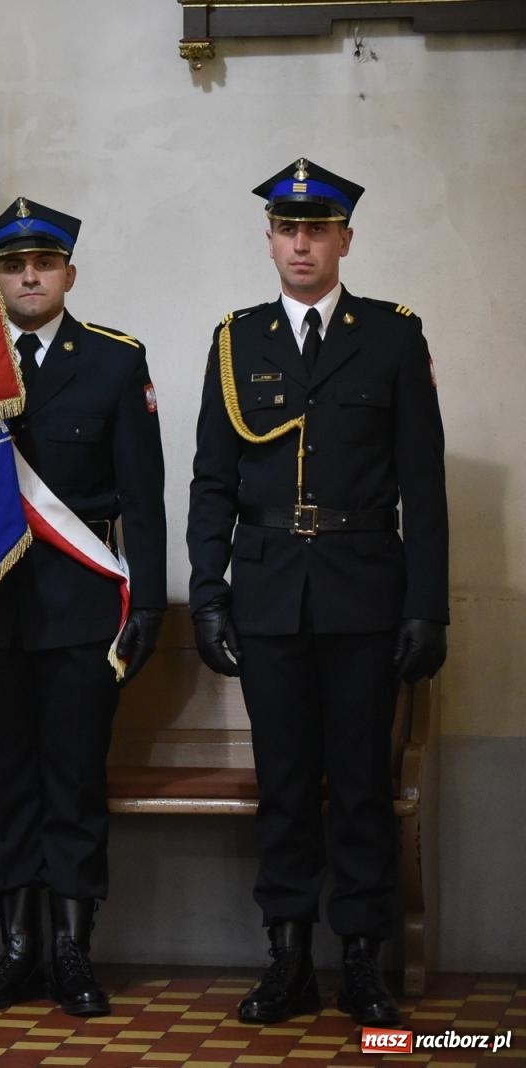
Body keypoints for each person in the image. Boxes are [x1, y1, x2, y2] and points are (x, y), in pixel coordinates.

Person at [186, 159, 447, 1029]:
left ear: (344, 239)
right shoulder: (236, 340)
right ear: (269, 240)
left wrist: (427, 605)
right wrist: (209, 592)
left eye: (318, 229)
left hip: (365, 592)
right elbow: (212, 484)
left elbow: (424, 484)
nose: (302, 243)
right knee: (287, 783)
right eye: (288, 230)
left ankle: (364, 961)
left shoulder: (393, 336)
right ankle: (288, 955)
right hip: (267, 597)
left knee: (364, 783)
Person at [0, 199, 167, 1018]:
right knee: (5, 783)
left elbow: (142, 497)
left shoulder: (113, 361)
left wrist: (146, 599)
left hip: (81, 605)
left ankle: (74, 949)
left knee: (73, 781)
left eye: (43, 263)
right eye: (12, 265)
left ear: (69, 273)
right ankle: (16, 949)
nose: (29, 276)